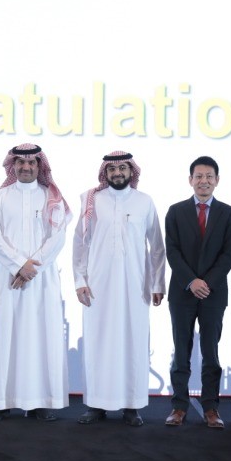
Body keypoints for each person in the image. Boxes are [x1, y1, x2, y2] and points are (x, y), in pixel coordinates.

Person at [73, 150, 167, 426]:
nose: (117, 173)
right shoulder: (92, 200)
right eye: (112, 169)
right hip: (98, 285)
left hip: (135, 285)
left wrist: (157, 283)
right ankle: (96, 405)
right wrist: (80, 281)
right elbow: (80, 243)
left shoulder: (144, 201)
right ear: (105, 172)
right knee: (98, 343)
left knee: (133, 342)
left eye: (123, 168)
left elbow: (157, 246)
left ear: (131, 171)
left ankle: (131, 405)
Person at [0, 144, 73, 421]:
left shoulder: (51, 197)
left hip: (41, 281)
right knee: (4, 338)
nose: (26, 167)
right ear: (13, 166)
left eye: (31, 162)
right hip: (8, 279)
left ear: (39, 166)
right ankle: (0, 403)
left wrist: (31, 268)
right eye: (20, 162)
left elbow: (58, 238)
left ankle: (38, 402)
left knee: (40, 338)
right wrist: (19, 265)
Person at [164, 156, 231, 430]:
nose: (203, 181)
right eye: (198, 176)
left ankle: (210, 408)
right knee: (181, 352)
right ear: (190, 180)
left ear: (217, 180)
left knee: (211, 352)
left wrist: (206, 282)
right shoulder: (175, 211)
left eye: (209, 176)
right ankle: (179, 407)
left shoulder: (229, 214)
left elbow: (229, 254)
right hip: (182, 292)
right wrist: (191, 281)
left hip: (213, 293)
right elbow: (172, 251)